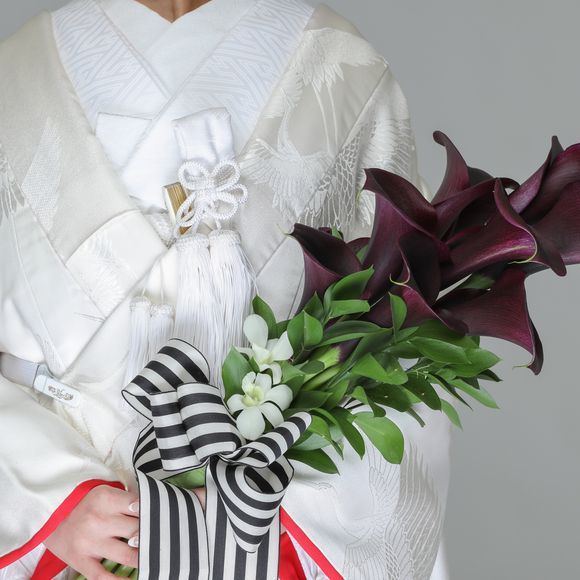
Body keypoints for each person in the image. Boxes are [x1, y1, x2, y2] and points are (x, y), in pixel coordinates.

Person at [0, 0, 452, 578]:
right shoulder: (17, 77)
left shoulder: (344, 70)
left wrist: (276, 513)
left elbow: (401, 338)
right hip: (72, 554)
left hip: (268, 542)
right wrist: (49, 499)